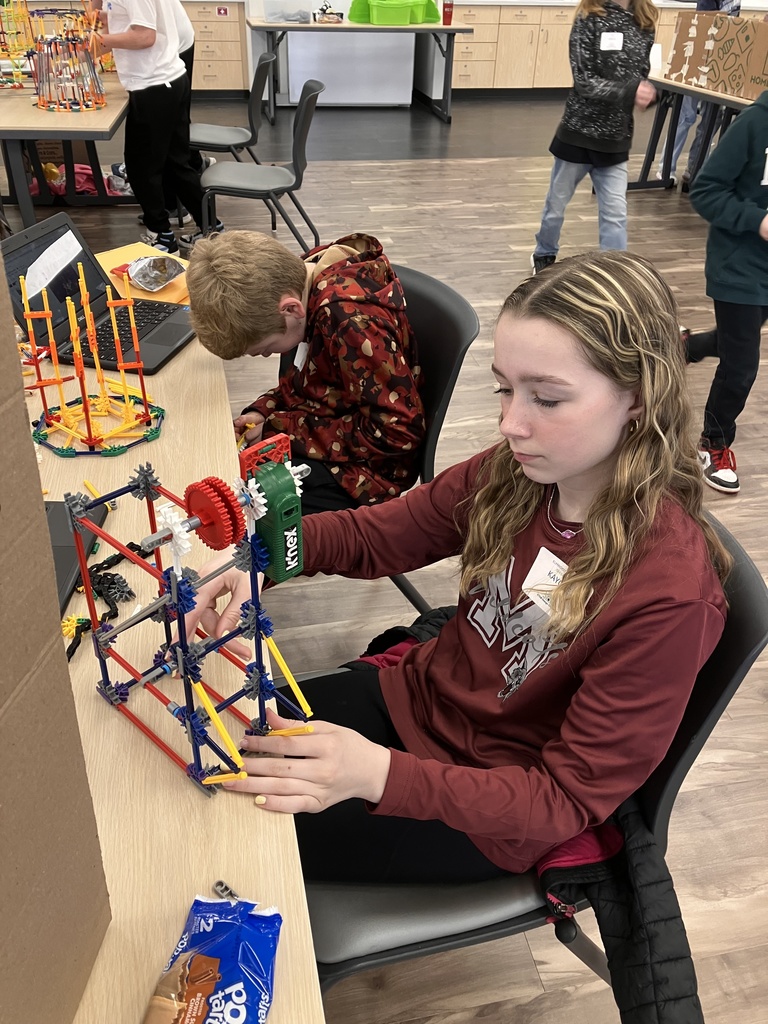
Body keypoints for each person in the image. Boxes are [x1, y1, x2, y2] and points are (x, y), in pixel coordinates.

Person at [183, 251, 730, 884]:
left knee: (219, 828)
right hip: (415, 702)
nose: (510, 422)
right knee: (211, 737)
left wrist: (377, 774)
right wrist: (265, 557)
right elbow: (382, 534)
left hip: (487, 810)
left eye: (547, 399)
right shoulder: (516, 473)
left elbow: (565, 801)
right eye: (505, 387)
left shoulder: (670, 595)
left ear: (637, 398)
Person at [186, 230, 425, 515]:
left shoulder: (351, 322)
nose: (267, 355)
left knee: (257, 515)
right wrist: (265, 410)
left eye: (266, 349)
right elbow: (310, 377)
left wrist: (282, 428)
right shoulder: (301, 279)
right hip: (334, 428)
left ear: (291, 309)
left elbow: (399, 433)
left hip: (369, 471)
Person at [531, 0, 657, 274]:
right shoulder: (589, 17)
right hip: (578, 134)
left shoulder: (644, 22)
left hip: (615, 138)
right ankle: (544, 252)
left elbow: (642, 74)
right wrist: (629, 91)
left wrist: (648, 91)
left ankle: (614, 273)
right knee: (556, 207)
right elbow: (584, 81)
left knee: (615, 215)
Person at [688, 91, 768, 495]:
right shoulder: (754, 124)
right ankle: (713, 443)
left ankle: (685, 346)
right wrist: (757, 220)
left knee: (739, 341)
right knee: (741, 366)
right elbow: (705, 191)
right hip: (739, 266)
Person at [95, 0, 216, 254]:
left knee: (142, 168)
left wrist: (99, 42)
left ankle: (161, 236)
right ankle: (212, 229)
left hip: (154, 85)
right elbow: (118, 18)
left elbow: (144, 36)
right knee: (176, 163)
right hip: (168, 80)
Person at [655, 0, 741, 190]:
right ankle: (666, 169)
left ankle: (694, 169)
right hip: (697, 56)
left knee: (714, 117)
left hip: (721, 60)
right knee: (686, 116)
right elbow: (704, 20)